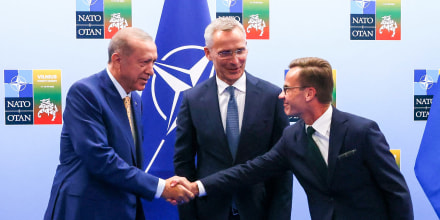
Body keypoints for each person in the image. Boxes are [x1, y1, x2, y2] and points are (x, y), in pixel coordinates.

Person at [185, 57, 414, 220]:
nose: (281, 94)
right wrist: (198, 186)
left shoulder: (362, 131)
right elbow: (249, 171)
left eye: (288, 88)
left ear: (309, 93)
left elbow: (396, 191)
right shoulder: (292, 138)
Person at [44, 27, 194, 220]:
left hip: (124, 209)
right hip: (85, 210)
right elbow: (99, 158)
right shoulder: (85, 93)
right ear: (117, 60)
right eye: (144, 62)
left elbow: (129, 163)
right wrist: (160, 187)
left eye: (153, 62)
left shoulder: (136, 100)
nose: (152, 71)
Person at [173, 17, 293, 220]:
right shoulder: (192, 100)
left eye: (240, 50)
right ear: (208, 53)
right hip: (210, 211)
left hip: (258, 211)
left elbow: (282, 168)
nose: (235, 60)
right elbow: (183, 164)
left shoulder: (272, 97)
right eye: (225, 53)